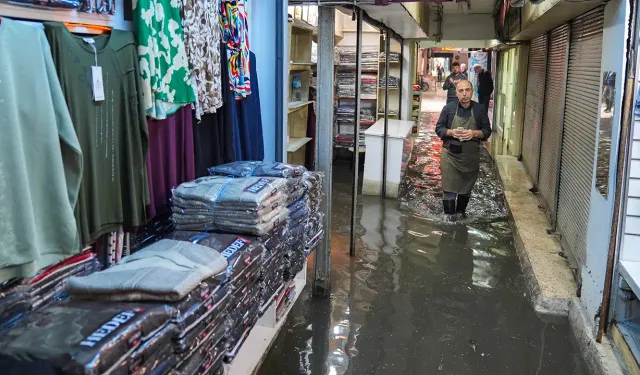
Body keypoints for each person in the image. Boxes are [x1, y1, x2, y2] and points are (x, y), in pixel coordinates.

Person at [435, 80, 492, 217]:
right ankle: (449, 220)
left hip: (470, 157)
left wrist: (474, 133)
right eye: (461, 91)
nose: (464, 94)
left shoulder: (479, 109)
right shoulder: (448, 108)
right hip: (450, 156)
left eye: (467, 90)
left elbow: (487, 131)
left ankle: (461, 216)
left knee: (465, 189)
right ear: (456, 93)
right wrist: (451, 132)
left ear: (472, 91)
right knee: (449, 189)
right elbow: (439, 129)